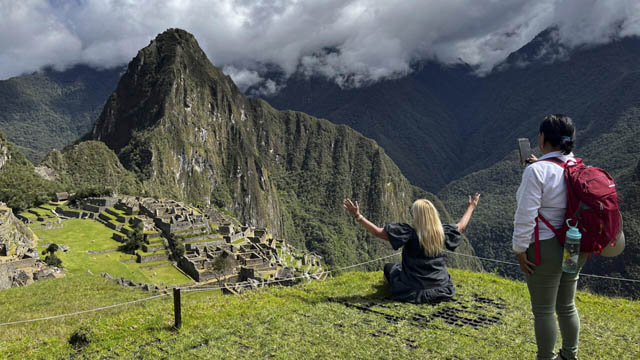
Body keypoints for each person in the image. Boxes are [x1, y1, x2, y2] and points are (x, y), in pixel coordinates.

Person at [513, 114, 587, 360]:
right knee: (566, 305)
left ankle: (546, 357)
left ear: (542, 138)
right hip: (575, 245)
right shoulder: (577, 168)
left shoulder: (537, 172)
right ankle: (569, 355)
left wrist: (520, 250)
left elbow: (525, 216)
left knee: (544, 310)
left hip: (546, 248)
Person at [343, 193, 480, 304]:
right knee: (397, 269)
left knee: (389, 268)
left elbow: (378, 232)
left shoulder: (408, 233)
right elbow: (461, 226)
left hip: (414, 289)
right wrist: (472, 207)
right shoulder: (441, 232)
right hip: (441, 288)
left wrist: (358, 216)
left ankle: (391, 287)